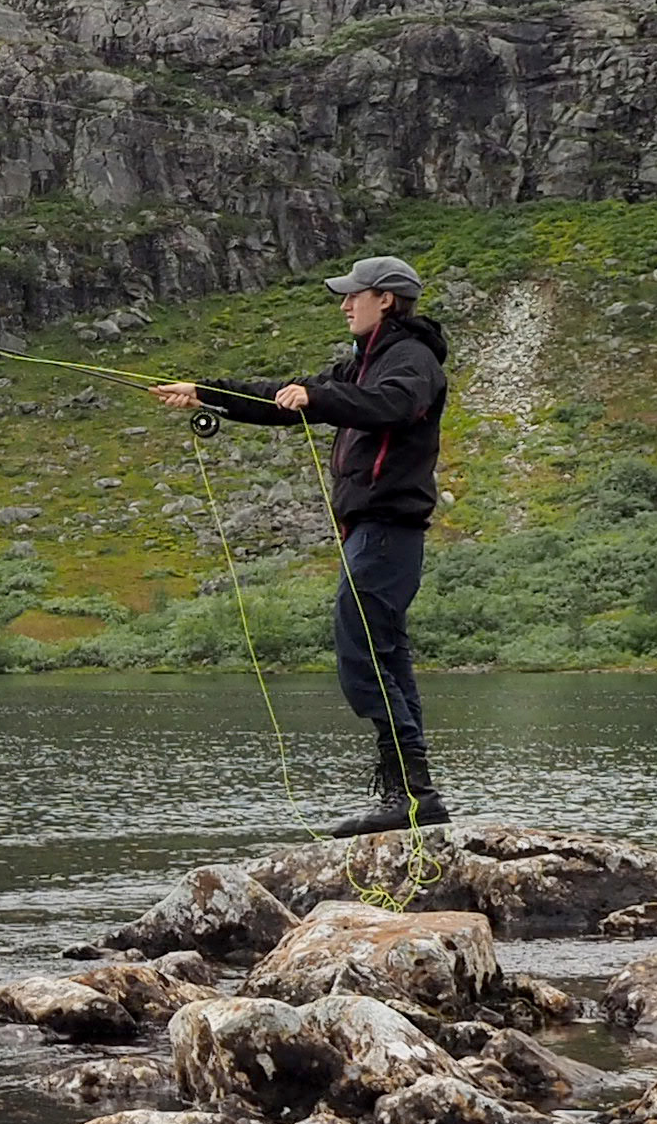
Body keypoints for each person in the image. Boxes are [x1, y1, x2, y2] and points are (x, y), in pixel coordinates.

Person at [154, 253, 453, 833]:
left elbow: (393, 407)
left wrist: (316, 400)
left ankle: (410, 794)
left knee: (362, 656)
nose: (344, 305)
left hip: (390, 534)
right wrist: (206, 392)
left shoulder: (410, 360)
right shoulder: (362, 365)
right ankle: (415, 796)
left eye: (353, 295)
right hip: (371, 535)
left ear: (385, 299)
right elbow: (284, 398)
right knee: (385, 655)